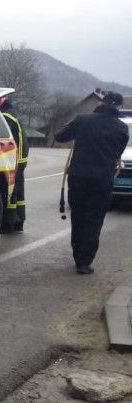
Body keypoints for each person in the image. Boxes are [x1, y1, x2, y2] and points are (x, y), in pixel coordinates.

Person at [55, 91, 130, 274]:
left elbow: (59, 136)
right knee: (94, 220)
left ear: (102, 102)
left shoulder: (82, 120)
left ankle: (77, 255)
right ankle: (84, 261)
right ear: (118, 107)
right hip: (102, 180)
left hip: (78, 177)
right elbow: (117, 153)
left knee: (78, 216)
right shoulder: (122, 128)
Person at [0, 98, 29, 232]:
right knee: (19, 190)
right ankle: (19, 222)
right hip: (21, 157)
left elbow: (3, 136)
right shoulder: (12, 112)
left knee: (10, 191)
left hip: (15, 158)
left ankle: (8, 224)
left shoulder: (5, 116)